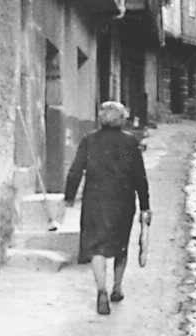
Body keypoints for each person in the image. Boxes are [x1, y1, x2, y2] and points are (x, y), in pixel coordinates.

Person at [64, 101, 152, 315]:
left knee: (97, 247)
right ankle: (117, 288)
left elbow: (76, 170)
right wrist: (145, 205)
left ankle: (101, 290)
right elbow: (139, 176)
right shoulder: (130, 142)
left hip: (95, 200)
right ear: (121, 119)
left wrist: (69, 197)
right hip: (123, 200)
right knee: (121, 245)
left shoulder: (89, 140)